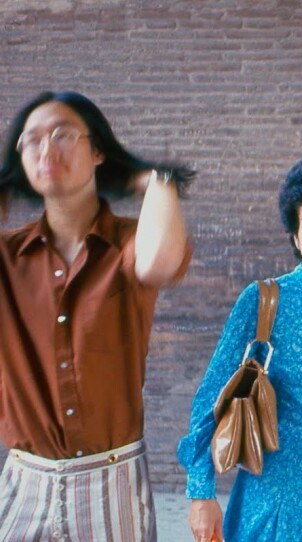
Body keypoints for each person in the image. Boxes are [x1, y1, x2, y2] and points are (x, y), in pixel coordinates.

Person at [0, 90, 195, 541]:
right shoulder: (8, 257)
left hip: (110, 481)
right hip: (24, 479)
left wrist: (157, 180)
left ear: (98, 150)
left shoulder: (129, 243)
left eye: (63, 134)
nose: (47, 149)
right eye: (30, 140)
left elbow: (159, 263)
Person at [179, 153, 302, 542]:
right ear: (295, 235)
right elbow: (210, 400)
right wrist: (200, 491)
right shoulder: (264, 299)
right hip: (273, 495)